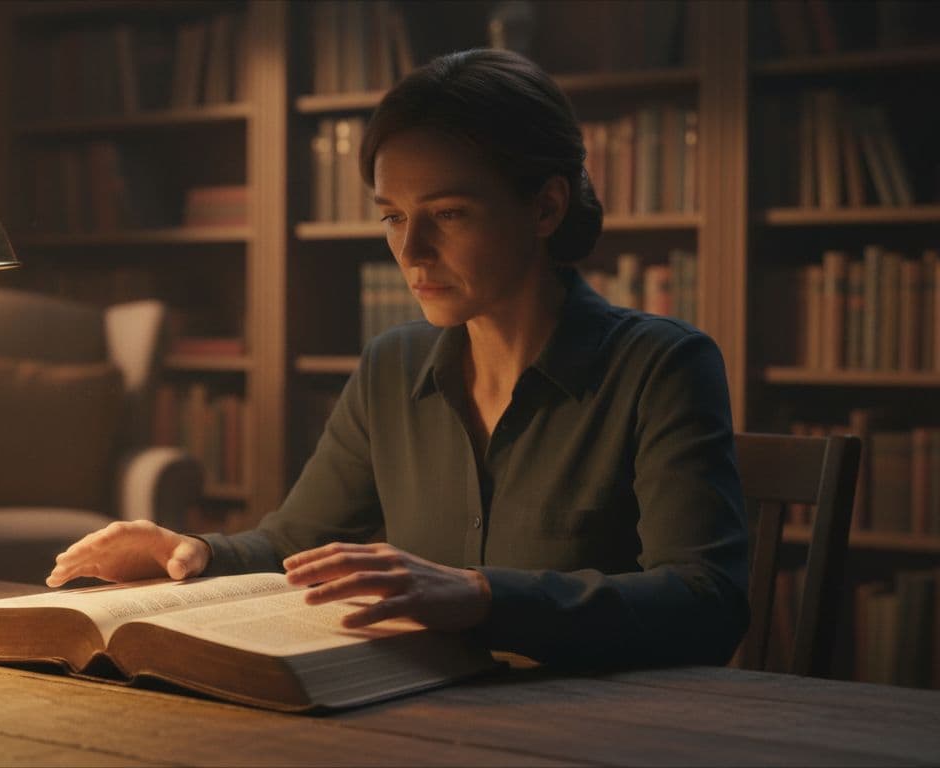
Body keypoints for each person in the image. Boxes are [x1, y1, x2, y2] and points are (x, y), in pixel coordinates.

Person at [47, 48, 749, 671]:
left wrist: (480, 594)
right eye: (392, 217)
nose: (410, 253)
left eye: (447, 214)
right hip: (417, 720)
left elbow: (706, 603)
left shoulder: (662, 365)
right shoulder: (392, 365)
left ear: (546, 207)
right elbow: (298, 540)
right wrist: (192, 551)